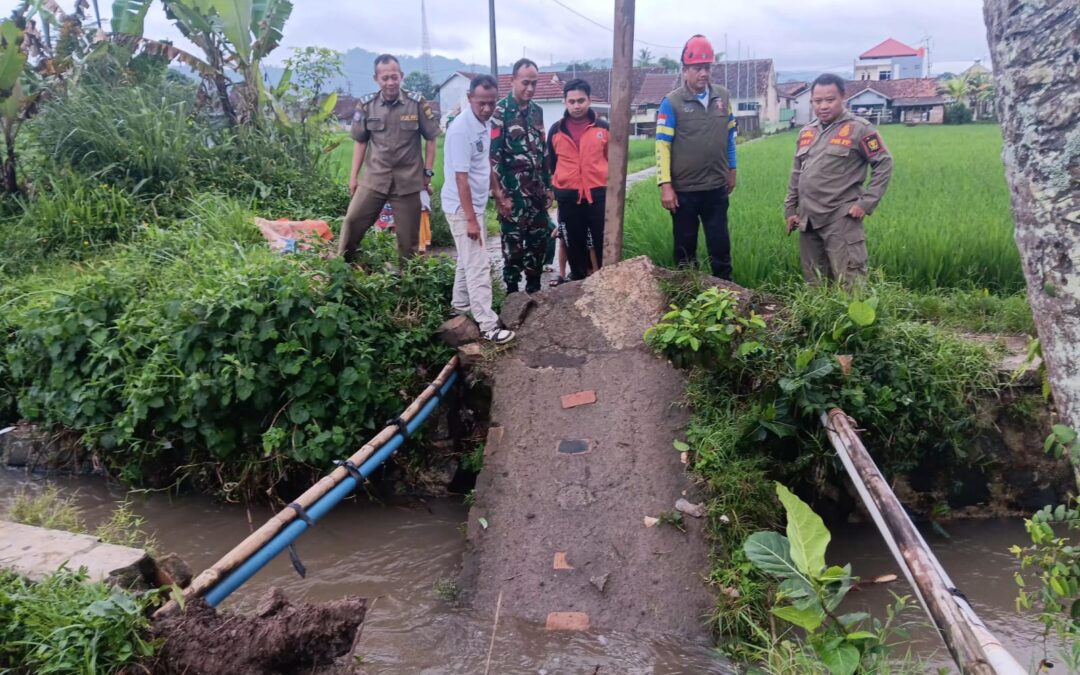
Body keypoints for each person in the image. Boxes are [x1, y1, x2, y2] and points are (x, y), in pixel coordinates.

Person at [784, 73, 893, 287]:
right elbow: (797, 172)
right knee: (815, 284)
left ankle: (856, 321)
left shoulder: (860, 129)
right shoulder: (807, 132)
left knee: (850, 284)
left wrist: (866, 203)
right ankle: (821, 321)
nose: (823, 106)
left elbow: (884, 163)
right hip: (808, 221)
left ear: (843, 97)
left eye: (829, 100)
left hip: (840, 219)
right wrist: (790, 209)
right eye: (817, 101)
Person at [338, 54, 440, 263]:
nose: (390, 82)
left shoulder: (417, 103)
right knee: (352, 221)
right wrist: (353, 177)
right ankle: (343, 268)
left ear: (401, 76)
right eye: (385, 78)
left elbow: (431, 139)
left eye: (394, 77)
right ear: (376, 79)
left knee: (408, 242)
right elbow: (360, 142)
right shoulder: (366, 106)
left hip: (408, 182)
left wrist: (427, 174)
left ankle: (408, 287)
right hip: (374, 179)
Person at [655, 34, 738, 280]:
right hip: (684, 193)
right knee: (685, 250)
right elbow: (662, 146)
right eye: (698, 68)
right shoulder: (671, 103)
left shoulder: (722, 98)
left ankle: (727, 295)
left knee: (720, 247)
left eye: (707, 67)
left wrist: (732, 170)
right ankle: (687, 297)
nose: (704, 73)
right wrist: (665, 185)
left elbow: (730, 137)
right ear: (685, 71)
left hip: (716, 188)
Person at [442, 74, 515, 344]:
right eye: (481, 103)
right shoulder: (461, 129)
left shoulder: (483, 123)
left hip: (474, 205)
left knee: (466, 259)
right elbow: (461, 178)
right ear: (470, 98)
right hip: (463, 208)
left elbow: (483, 163)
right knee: (478, 265)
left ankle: (459, 308)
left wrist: (497, 192)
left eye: (491, 103)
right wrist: (471, 220)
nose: (487, 108)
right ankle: (488, 326)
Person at [490, 58, 554, 294]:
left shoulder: (537, 111)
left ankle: (534, 288)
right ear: (513, 80)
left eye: (534, 84)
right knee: (513, 246)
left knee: (538, 241)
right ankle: (512, 292)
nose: (529, 88)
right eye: (525, 83)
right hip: (512, 194)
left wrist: (548, 186)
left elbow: (543, 150)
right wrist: (500, 196)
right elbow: (494, 157)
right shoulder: (500, 111)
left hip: (536, 192)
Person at [546, 78, 609, 281]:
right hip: (568, 197)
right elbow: (553, 164)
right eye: (571, 101)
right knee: (573, 244)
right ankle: (578, 283)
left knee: (601, 242)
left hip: (598, 194)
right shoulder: (556, 131)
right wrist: (560, 187)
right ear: (565, 102)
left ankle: (604, 283)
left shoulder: (603, 128)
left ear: (589, 100)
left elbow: (612, 160)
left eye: (581, 100)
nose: (576, 105)